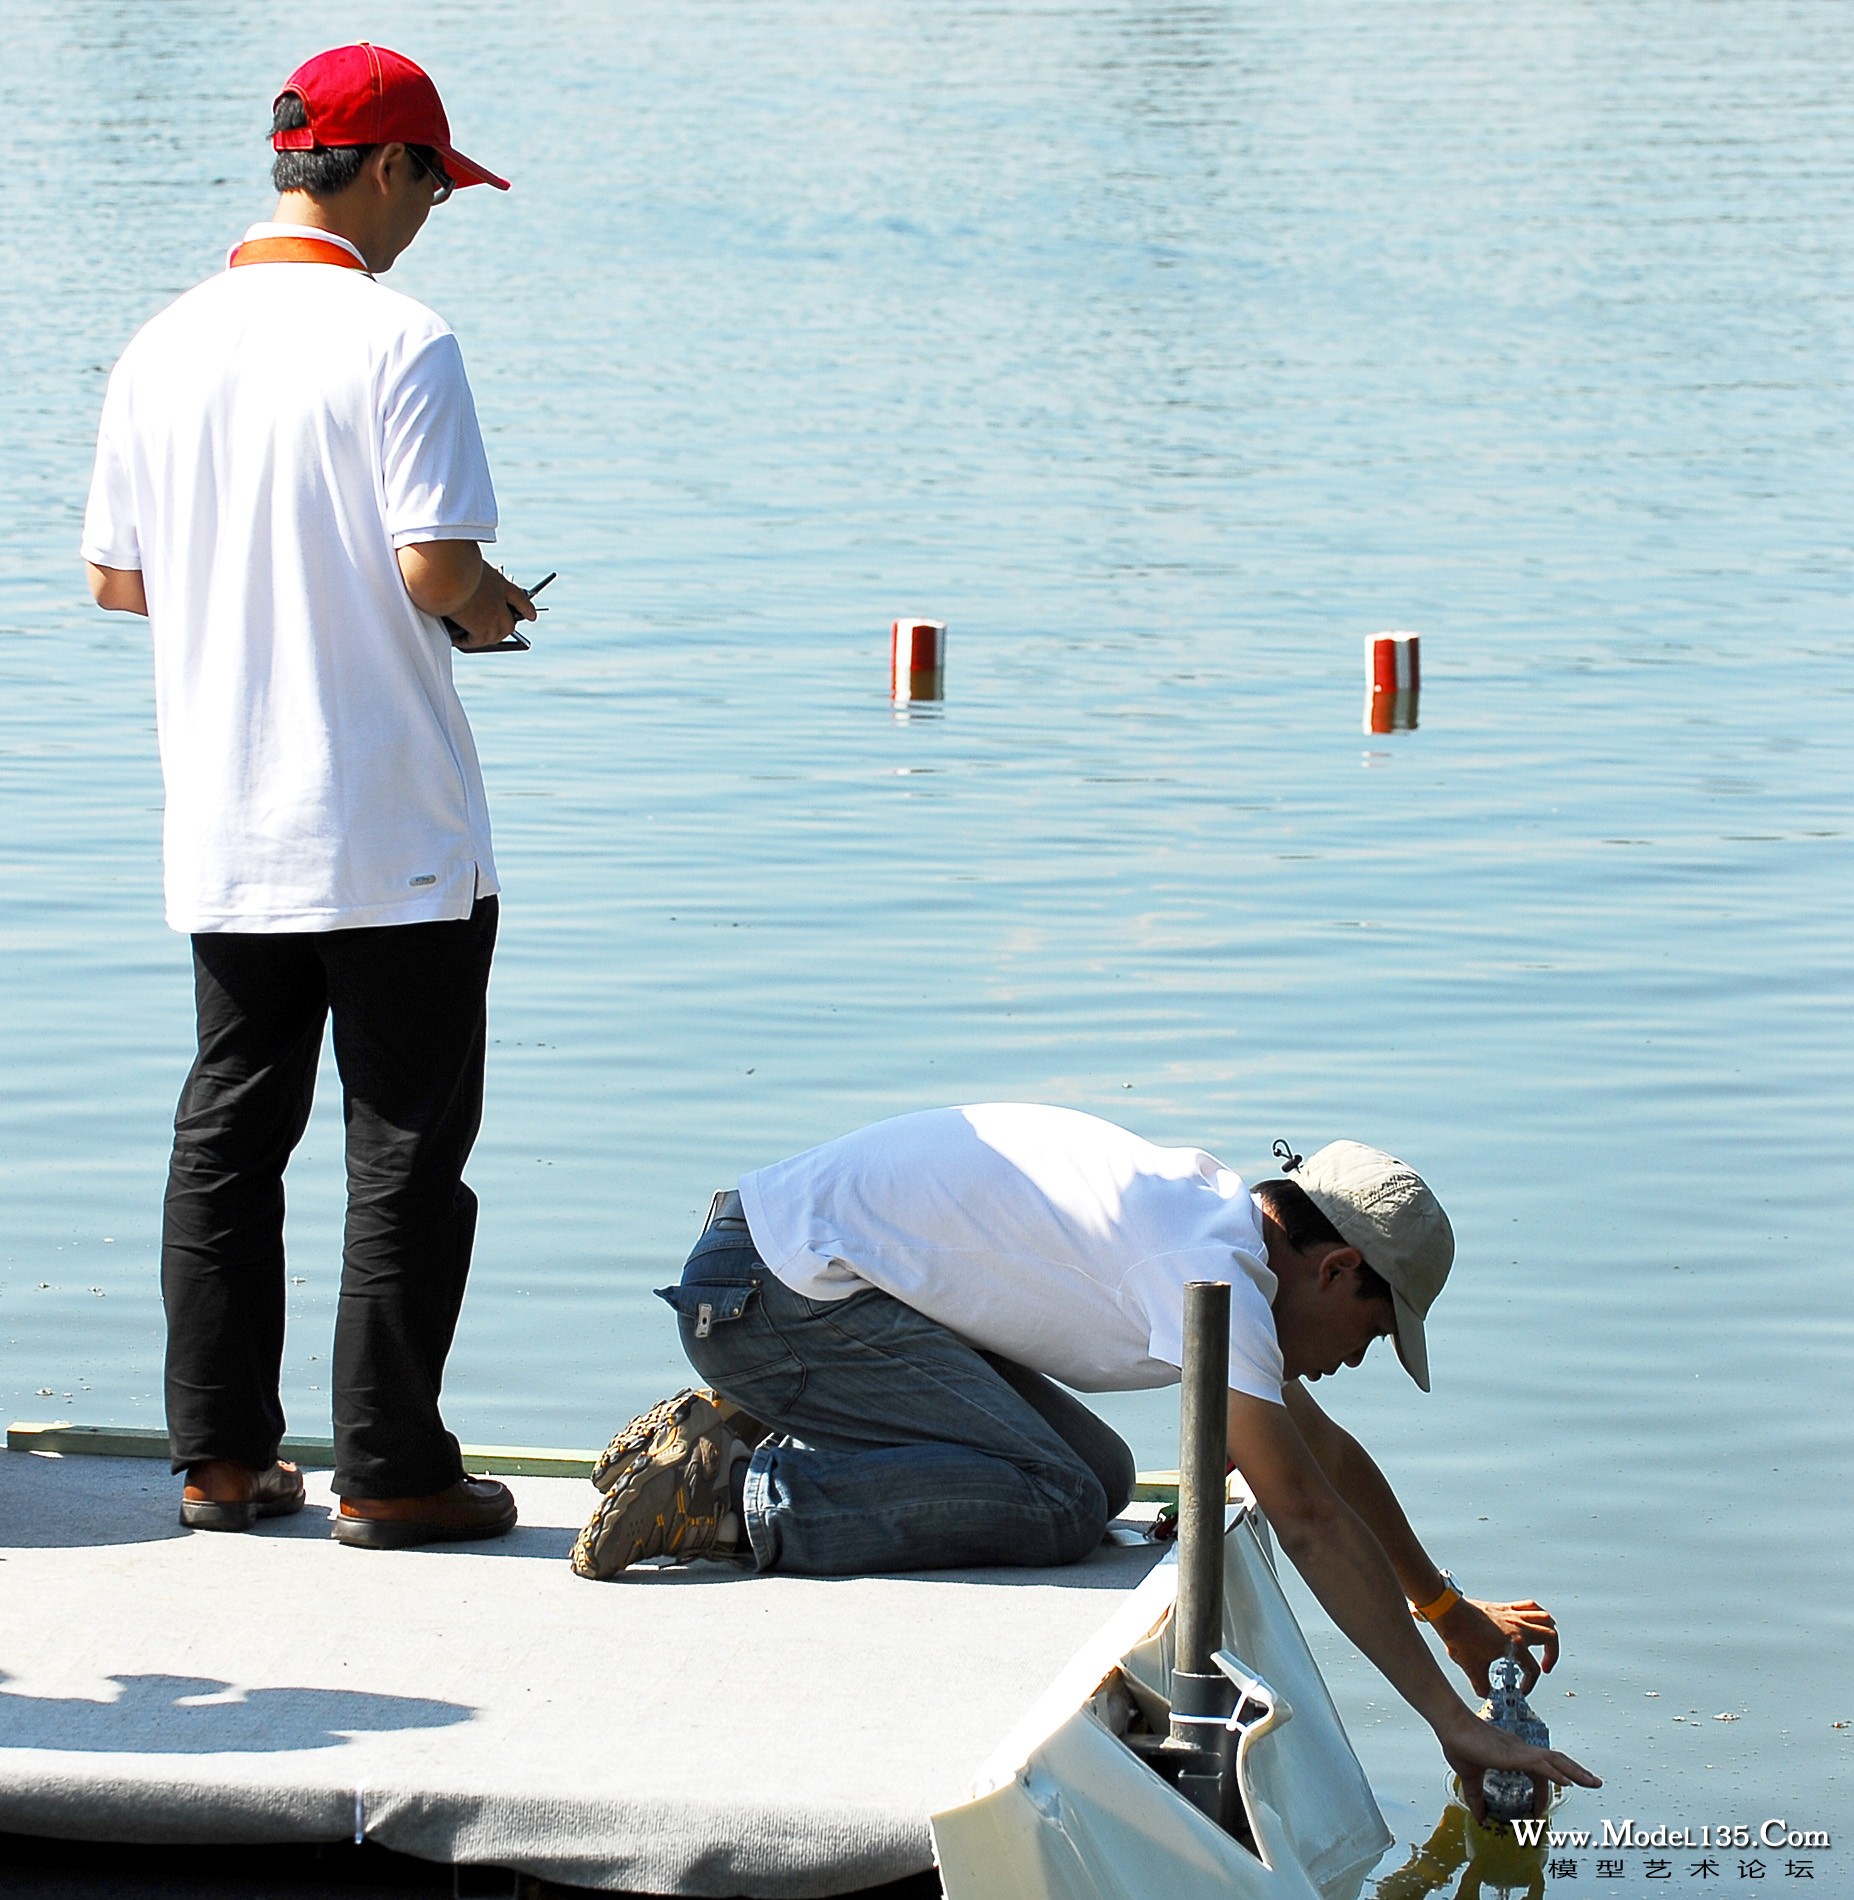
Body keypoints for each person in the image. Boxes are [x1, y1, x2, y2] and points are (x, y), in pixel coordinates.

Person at [573, 1103, 1600, 1813]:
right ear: (1336, 1268)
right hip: (769, 1297)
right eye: (1373, 1334)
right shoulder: (1208, 1266)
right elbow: (1308, 1517)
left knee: (1098, 1478)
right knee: (1060, 1497)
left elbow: (1320, 1454)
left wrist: (1444, 1609)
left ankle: (744, 1428)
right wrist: (1449, 1722)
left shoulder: (1217, 1228)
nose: (1353, 1362)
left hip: (786, 1277)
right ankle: (729, 1490)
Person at [81, 43, 537, 1548]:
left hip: (225, 815)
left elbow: (117, 580)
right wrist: (489, 609)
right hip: (391, 822)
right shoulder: (401, 339)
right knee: (403, 1155)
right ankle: (393, 1474)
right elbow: (434, 565)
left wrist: (257, 582)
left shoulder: (161, 345)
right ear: (387, 166)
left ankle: (220, 1464)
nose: (431, 217)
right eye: (435, 187)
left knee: (228, 1138)